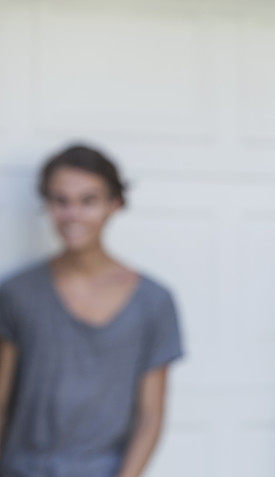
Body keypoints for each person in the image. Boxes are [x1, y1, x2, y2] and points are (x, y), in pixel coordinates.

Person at [0, 143, 184, 477]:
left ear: (115, 204)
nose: (73, 215)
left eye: (88, 201)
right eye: (61, 201)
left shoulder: (153, 301)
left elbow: (151, 416)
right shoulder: (17, 293)